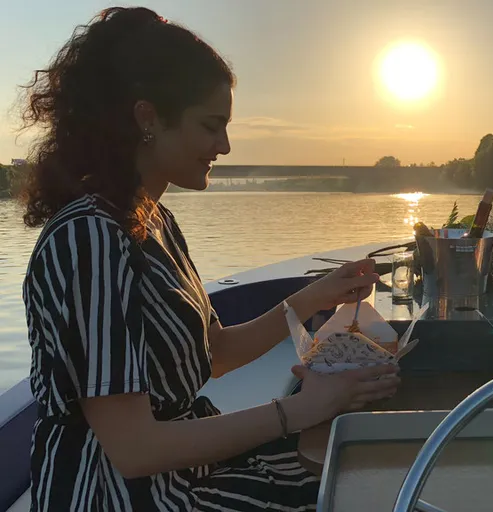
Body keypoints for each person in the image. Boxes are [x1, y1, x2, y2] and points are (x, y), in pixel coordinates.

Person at [18, 7, 399, 511]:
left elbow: (214, 353)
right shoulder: (89, 238)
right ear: (148, 118)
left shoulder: (152, 220)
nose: (224, 145)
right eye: (210, 126)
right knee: (354, 492)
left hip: (183, 471)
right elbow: (133, 449)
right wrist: (299, 410)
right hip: (120, 495)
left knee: (365, 466)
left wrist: (315, 296)